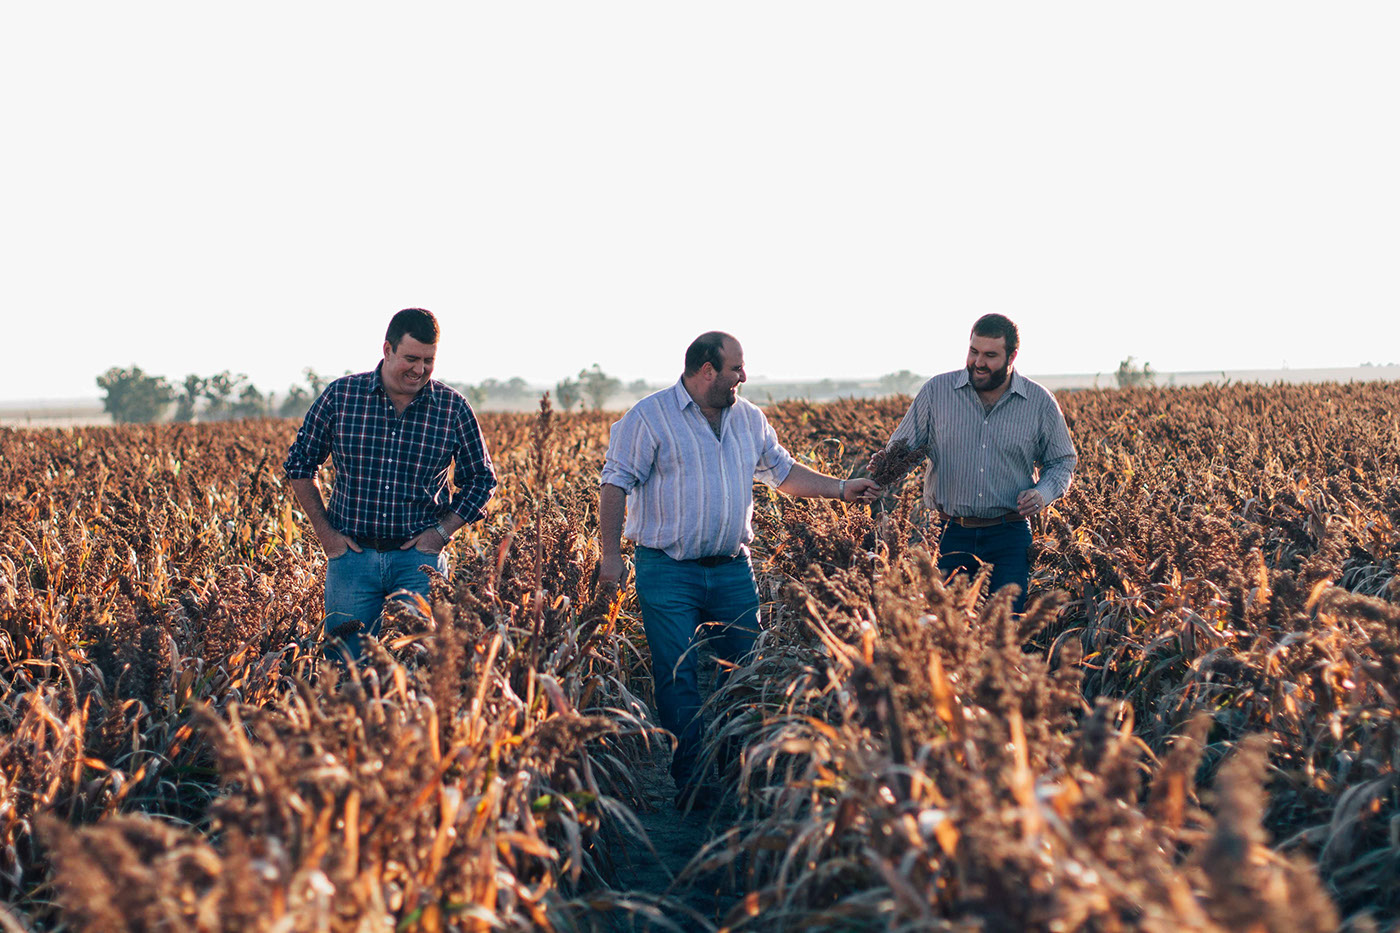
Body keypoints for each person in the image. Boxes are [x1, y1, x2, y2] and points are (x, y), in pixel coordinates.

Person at [598, 331, 879, 809]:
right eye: (736, 369)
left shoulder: (749, 419)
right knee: (678, 676)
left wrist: (841, 487)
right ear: (707, 370)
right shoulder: (648, 418)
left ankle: (737, 772)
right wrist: (610, 555)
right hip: (666, 570)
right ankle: (694, 783)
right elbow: (615, 483)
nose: (743, 377)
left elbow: (783, 472)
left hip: (732, 570)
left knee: (747, 672)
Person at [284, 308, 496, 661]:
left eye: (429, 361)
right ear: (387, 350)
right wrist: (326, 534)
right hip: (351, 560)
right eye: (411, 358)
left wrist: (439, 534)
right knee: (346, 672)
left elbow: (482, 480)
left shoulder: (452, 408)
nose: (420, 369)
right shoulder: (341, 397)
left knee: (421, 671)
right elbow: (300, 465)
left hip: (417, 562)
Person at [870, 314, 1076, 613]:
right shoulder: (936, 393)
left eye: (990, 355)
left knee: (1005, 630)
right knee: (948, 631)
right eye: (973, 351)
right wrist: (886, 466)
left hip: (1009, 536)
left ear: (1012, 356)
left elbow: (1062, 461)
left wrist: (1042, 493)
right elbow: (903, 450)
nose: (978, 362)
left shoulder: (1039, 402)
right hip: (949, 533)